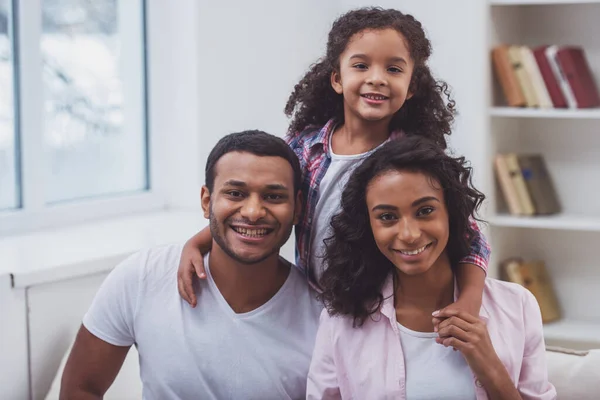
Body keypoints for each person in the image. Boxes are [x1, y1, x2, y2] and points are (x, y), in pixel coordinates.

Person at [178, 7, 490, 318]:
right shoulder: (304, 147)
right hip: (310, 306)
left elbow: (470, 238)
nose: (377, 79)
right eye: (361, 65)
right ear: (338, 79)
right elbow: (262, 200)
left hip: (377, 313)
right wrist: (198, 243)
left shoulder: (414, 163)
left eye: (394, 69)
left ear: (411, 88)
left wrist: (469, 300)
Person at [60, 131, 323, 399]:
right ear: (207, 201)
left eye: (273, 197)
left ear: (298, 208)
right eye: (235, 193)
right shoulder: (141, 277)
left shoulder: (322, 318)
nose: (253, 212)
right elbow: (81, 389)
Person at [306, 137, 557, 399]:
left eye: (425, 210)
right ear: (368, 225)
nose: (409, 234)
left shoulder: (517, 306)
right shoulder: (340, 320)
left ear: (451, 212)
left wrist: (490, 367)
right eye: (387, 217)